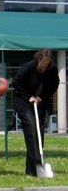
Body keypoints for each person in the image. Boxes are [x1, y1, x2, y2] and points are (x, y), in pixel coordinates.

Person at [13, 48, 59, 176]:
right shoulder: (29, 67)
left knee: (39, 133)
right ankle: (36, 162)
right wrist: (29, 96)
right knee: (32, 130)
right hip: (24, 103)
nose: (45, 67)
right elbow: (16, 82)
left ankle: (33, 168)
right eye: (43, 64)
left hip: (40, 103)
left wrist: (42, 97)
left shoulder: (52, 70)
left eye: (47, 65)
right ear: (38, 61)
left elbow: (54, 85)